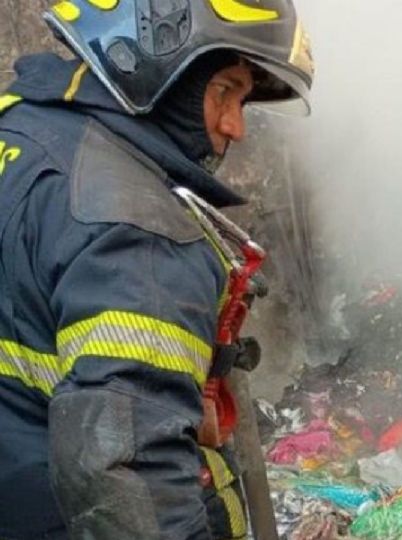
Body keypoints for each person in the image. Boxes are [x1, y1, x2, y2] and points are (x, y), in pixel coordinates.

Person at [0, 0, 313, 538]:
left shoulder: (23, 134)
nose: (236, 127)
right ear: (153, 56)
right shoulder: (140, 232)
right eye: (224, 91)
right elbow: (130, 473)